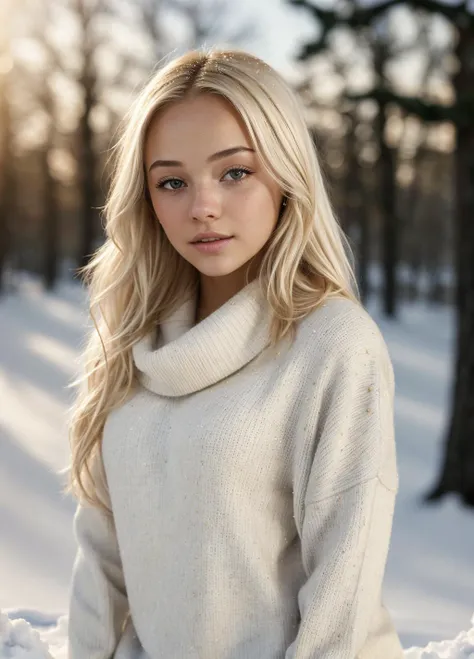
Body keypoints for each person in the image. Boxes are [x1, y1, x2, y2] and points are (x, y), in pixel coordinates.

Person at [66, 47, 404, 659]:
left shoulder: (333, 345)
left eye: (235, 172)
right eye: (172, 182)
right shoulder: (129, 345)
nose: (202, 207)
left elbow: (343, 591)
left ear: (285, 175)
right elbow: (102, 565)